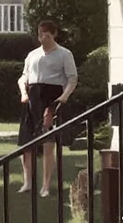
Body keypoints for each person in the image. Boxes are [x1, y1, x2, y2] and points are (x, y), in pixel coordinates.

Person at [18, 19, 78, 198]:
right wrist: (24, 93)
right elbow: (23, 77)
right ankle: (27, 182)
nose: (43, 37)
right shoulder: (32, 55)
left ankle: (45, 186)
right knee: (26, 144)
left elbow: (72, 79)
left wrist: (62, 99)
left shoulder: (64, 54)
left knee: (48, 143)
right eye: (40, 34)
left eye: (46, 34)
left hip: (52, 97)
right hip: (32, 98)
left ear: (54, 34)